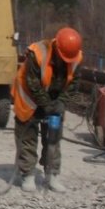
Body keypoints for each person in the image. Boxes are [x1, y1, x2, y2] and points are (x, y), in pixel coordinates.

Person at [11, 27, 83, 193]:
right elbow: (33, 83)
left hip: (55, 98)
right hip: (29, 98)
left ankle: (52, 175)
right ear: (56, 47)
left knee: (53, 138)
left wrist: (61, 103)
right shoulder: (37, 53)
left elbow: (73, 84)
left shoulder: (76, 57)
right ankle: (28, 175)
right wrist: (46, 105)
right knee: (27, 136)